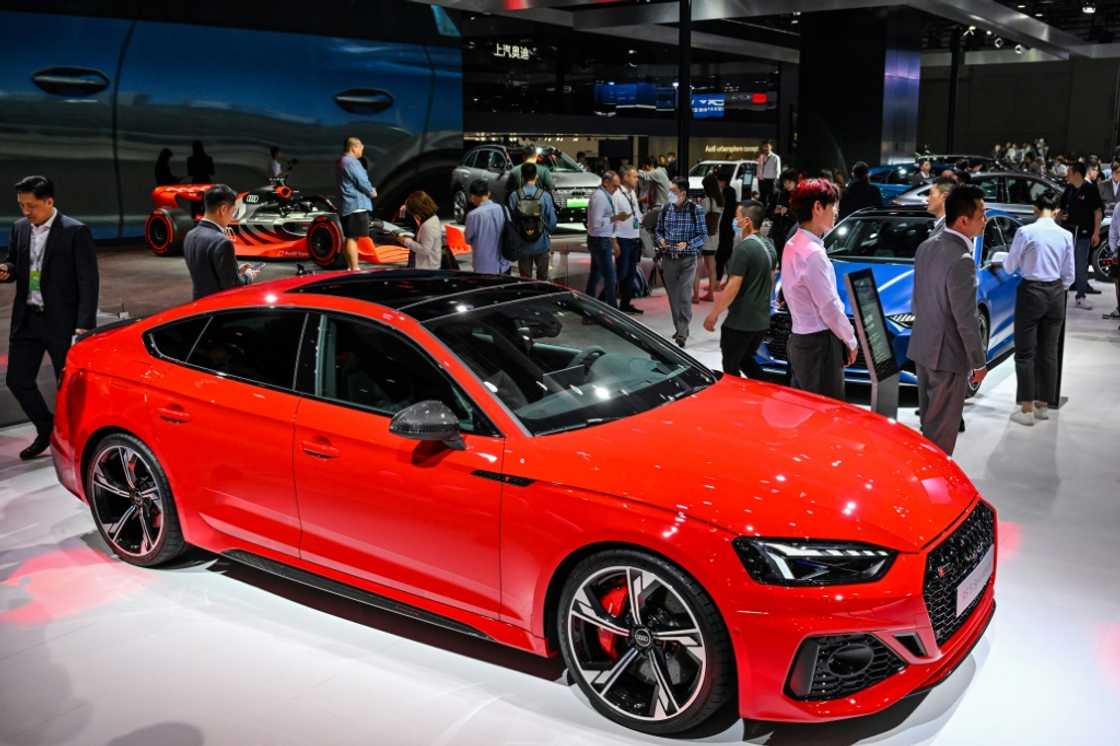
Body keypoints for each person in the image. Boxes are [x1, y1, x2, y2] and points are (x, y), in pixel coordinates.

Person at [1, 175, 99, 459]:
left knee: (67, 386)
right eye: (21, 205)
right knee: (17, 380)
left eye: (31, 206)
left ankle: (77, 440)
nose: (25, 212)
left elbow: (88, 281)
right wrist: (7, 270)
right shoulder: (20, 228)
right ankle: (47, 428)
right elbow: (16, 264)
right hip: (27, 318)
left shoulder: (74, 231)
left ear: (49, 202)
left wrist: (84, 326)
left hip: (62, 322)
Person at [908, 184, 989, 455]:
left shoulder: (925, 246)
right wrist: (978, 362)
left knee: (928, 429)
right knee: (941, 438)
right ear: (964, 220)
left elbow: (917, 300)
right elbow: (966, 319)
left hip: (922, 348)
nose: (985, 221)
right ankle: (934, 492)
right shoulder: (963, 259)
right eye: (982, 215)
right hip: (948, 357)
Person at [781, 178, 856, 400]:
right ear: (817, 207)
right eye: (833, 205)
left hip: (799, 340)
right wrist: (850, 340)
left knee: (806, 409)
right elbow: (829, 307)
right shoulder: (814, 253)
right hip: (819, 345)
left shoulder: (793, 244)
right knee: (826, 412)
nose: (836, 211)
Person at [1004, 191, 1074, 426]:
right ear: (1055, 212)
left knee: (1025, 353)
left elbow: (1009, 264)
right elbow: (1069, 275)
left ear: (1035, 209)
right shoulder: (1065, 235)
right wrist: (1057, 287)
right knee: (1049, 352)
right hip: (1056, 293)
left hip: (1031, 292)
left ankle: (1026, 410)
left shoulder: (1025, 232)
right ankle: (1043, 407)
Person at [703, 199, 773, 378]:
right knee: (746, 360)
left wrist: (713, 315)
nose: (735, 222)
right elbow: (770, 281)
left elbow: (733, 286)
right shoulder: (769, 246)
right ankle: (764, 393)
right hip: (761, 321)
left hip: (740, 322)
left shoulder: (744, 249)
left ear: (748, 221)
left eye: (738, 218)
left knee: (731, 367)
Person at [655, 178, 708, 347]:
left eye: (673, 191)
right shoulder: (665, 209)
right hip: (668, 258)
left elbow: (703, 235)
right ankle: (679, 327)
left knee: (684, 296)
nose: (669, 194)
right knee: (673, 297)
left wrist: (688, 244)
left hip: (687, 260)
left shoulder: (695, 210)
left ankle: (683, 332)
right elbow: (658, 231)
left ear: (683, 193)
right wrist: (661, 240)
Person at [183, 184, 259, 300]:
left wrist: (236, 271)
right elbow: (233, 287)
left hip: (198, 306)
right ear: (223, 209)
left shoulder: (190, 235)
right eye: (233, 211)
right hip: (218, 308)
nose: (232, 217)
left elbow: (206, 274)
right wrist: (248, 275)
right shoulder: (222, 242)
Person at [1059, 161, 1103, 308]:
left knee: (1081, 264)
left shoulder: (1090, 189)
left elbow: (1098, 212)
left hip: (1084, 234)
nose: (1067, 175)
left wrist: (1096, 233)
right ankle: (1061, 295)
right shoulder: (1069, 189)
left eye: (1069, 172)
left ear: (1077, 174)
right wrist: (1059, 218)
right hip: (1067, 233)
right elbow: (1060, 209)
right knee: (1064, 264)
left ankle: (1081, 295)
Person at [507, 162, 557, 280]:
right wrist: (546, 232)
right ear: (536, 176)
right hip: (541, 243)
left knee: (525, 279)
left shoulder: (515, 196)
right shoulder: (544, 196)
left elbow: (511, 222)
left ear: (522, 177)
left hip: (522, 244)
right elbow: (552, 221)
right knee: (543, 277)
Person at [586, 171, 626, 309]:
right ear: (606, 182)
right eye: (614, 186)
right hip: (599, 241)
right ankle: (613, 310)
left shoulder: (604, 195)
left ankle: (588, 310)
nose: (616, 189)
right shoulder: (600, 197)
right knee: (610, 277)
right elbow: (596, 223)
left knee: (595, 276)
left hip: (601, 239)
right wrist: (615, 218)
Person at [337, 136, 377, 271]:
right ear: (354, 147)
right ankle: (354, 267)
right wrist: (371, 192)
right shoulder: (352, 162)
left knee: (350, 237)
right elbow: (361, 181)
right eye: (360, 148)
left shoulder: (342, 161)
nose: (361, 151)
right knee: (352, 238)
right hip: (356, 206)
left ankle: (350, 266)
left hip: (348, 205)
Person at [613, 166, 645, 313]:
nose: (637, 179)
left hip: (634, 238)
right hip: (622, 239)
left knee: (631, 273)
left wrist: (641, 223)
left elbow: (636, 214)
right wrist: (614, 242)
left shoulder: (632, 193)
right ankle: (606, 303)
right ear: (625, 177)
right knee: (621, 273)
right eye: (634, 176)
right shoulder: (617, 195)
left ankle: (625, 304)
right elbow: (612, 219)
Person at [464, 179, 507, 275]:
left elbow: (468, 239)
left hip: (484, 267)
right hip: (503, 264)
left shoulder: (473, 215)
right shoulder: (503, 209)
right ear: (488, 193)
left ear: (473, 196)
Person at [693, 172, 722, 303]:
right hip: (714, 237)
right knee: (712, 266)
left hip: (702, 238)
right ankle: (711, 293)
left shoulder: (706, 201)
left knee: (697, 267)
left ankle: (696, 296)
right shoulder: (720, 202)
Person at [398, 191, 442, 270]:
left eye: (413, 213)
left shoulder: (428, 225)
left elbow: (425, 250)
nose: (414, 216)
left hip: (426, 268)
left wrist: (405, 241)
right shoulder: (433, 218)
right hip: (429, 265)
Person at [768, 169, 799, 263]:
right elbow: (769, 212)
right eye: (785, 182)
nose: (787, 184)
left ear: (795, 182)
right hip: (778, 234)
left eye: (789, 182)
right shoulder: (779, 195)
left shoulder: (799, 196)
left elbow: (801, 216)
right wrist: (775, 212)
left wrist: (787, 212)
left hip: (793, 233)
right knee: (781, 260)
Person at [714, 171, 738, 280]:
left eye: (719, 181)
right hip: (729, 227)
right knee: (726, 255)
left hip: (726, 227)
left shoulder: (726, 192)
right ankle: (727, 279)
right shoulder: (731, 191)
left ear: (723, 182)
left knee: (721, 256)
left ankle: (718, 280)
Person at [756, 140, 781, 206]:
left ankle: (771, 213)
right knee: (762, 198)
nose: (765, 148)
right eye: (764, 146)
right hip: (761, 180)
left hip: (771, 180)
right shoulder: (761, 156)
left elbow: (778, 170)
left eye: (767, 146)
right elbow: (759, 167)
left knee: (772, 198)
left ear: (771, 147)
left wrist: (776, 180)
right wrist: (758, 177)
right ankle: (763, 212)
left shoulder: (775, 157)